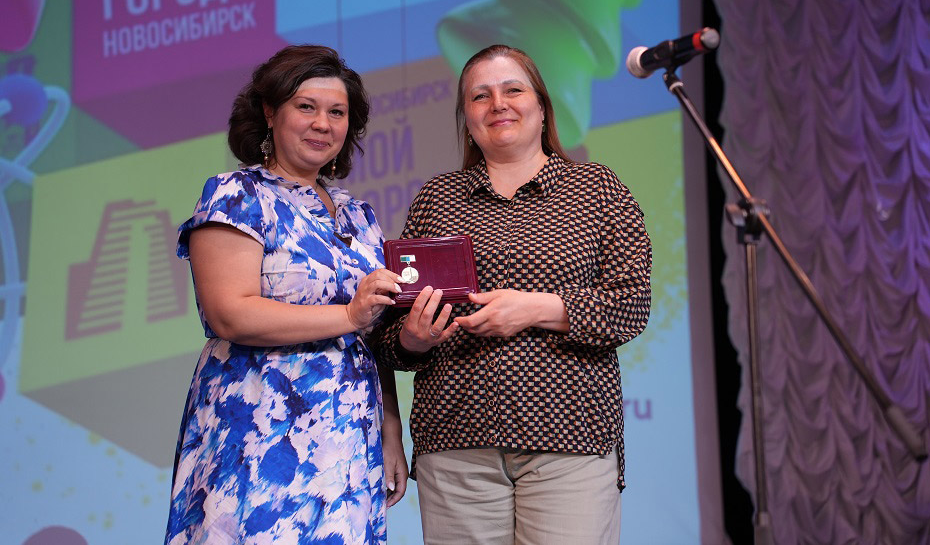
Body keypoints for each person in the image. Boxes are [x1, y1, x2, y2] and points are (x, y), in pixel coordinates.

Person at [370, 44, 652, 544]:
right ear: (467, 119)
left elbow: (631, 306)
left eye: (513, 90)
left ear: (541, 107)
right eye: (480, 96)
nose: (497, 103)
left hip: (570, 438)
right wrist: (413, 338)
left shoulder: (597, 188)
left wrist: (534, 309)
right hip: (455, 443)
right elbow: (389, 338)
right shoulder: (436, 199)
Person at [164, 45, 408, 544]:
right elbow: (230, 314)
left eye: (337, 112)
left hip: (348, 435)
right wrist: (349, 316)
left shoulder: (358, 215)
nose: (322, 124)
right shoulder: (236, 194)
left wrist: (391, 430)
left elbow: (372, 333)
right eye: (306, 107)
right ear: (270, 113)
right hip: (260, 428)